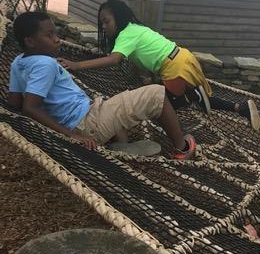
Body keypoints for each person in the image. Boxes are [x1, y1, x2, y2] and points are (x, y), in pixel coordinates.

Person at [7, 11, 196, 160]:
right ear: (30, 41)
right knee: (156, 94)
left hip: (86, 116)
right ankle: (182, 148)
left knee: (116, 103)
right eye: (49, 35)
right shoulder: (46, 64)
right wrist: (72, 136)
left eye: (55, 33)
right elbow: (30, 107)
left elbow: (15, 103)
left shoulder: (18, 62)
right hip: (86, 125)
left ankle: (120, 147)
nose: (56, 39)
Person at [59, 0, 260, 131]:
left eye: (106, 21)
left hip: (174, 67)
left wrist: (77, 66)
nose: (104, 27)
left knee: (160, 105)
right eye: (101, 23)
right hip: (182, 58)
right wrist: (148, 79)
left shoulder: (125, 35)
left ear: (118, 18)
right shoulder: (135, 29)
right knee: (198, 101)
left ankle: (187, 114)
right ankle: (241, 108)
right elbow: (144, 56)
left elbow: (114, 59)